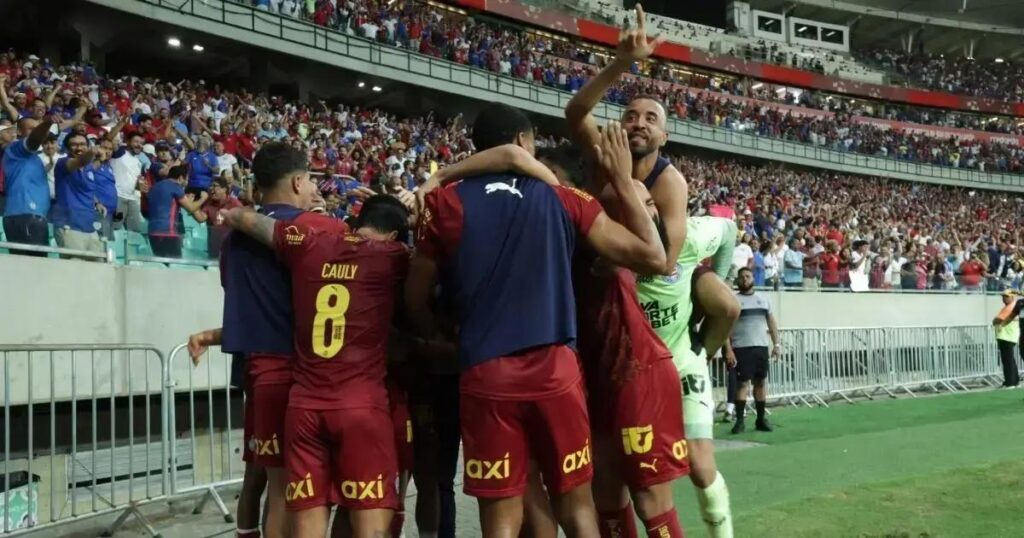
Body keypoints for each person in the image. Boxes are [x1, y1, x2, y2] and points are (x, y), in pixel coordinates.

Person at [407, 104, 668, 538]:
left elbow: (415, 296)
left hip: (486, 374)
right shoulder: (565, 198)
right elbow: (654, 257)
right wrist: (624, 180)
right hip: (555, 371)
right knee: (578, 508)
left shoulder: (444, 203)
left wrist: (436, 333)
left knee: (502, 519)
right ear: (526, 142)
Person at [563, 7, 734, 535]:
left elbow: (661, 259)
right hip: (596, 322)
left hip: (645, 327)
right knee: (603, 478)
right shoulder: (604, 151)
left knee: (649, 482)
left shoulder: (669, 182)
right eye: (631, 114)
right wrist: (619, 64)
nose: (637, 122)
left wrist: (622, 194)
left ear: (666, 135)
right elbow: (576, 111)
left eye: (650, 118)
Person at [223, 195, 411, 538]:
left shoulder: (308, 242)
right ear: (396, 234)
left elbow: (248, 221)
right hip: (361, 407)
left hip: (305, 408)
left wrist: (229, 212)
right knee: (369, 525)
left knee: (307, 524)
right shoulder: (393, 255)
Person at [217, 142, 348, 538]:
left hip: (259, 371)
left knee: (278, 489)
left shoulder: (234, 241)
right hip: (306, 373)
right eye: (310, 181)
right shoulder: (316, 230)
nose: (313, 190)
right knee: (312, 491)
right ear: (296, 181)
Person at [724, 268, 781, 434]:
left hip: (760, 347)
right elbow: (725, 327)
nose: (744, 279)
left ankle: (761, 419)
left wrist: (776, 345)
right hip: (741, 348)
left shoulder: (763, 299)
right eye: (741, 277)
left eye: (747, 276)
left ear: (753, 278)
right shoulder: (733, 300)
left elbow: (772, 323)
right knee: (742, 385)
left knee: (761, 383)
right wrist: (729, 349)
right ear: (738, 281)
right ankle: (740, 421)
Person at [3, 115, 60, 254]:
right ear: (19, 132)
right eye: (31, 128)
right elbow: (34, 139)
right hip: (24, 215)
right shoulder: (16, 148)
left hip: (32, 216)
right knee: (32, 267)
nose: (36, 131)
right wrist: (47, 123)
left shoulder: (32, 157)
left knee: (35, 267)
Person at [50, 133, 105, 256]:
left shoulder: (88, 168)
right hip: (69, 226)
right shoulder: (63, 163)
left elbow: (87, 187)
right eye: (74, 145)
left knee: (99, 268)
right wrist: (92, 152)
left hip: (89, 227)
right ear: (66, 148)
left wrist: (97, 202)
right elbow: (81, 161)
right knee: (74, 268)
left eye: (82, 144)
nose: (79, 148)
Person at [145, 165, 207, 258]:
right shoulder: (175, 187)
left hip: (152, 232)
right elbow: (191, 208)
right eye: (186, 179)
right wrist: (203, 198)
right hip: (168, 233)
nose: (187, 182)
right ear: (181, 178)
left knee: (160, 265)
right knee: (174, 266)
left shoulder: (155, 187)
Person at [993, 289, 1021, 388]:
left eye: (1006, 296)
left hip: (1006, 336)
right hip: (1009, 336)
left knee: (1007, 360)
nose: (1004, 298)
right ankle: (1015, 381)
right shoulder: (1012, 306)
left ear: (1012, 297)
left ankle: (1010, 382)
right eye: (1003, 296)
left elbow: (998, 319)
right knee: (1010, 360)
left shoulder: (1010, 307)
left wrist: (995, 320)